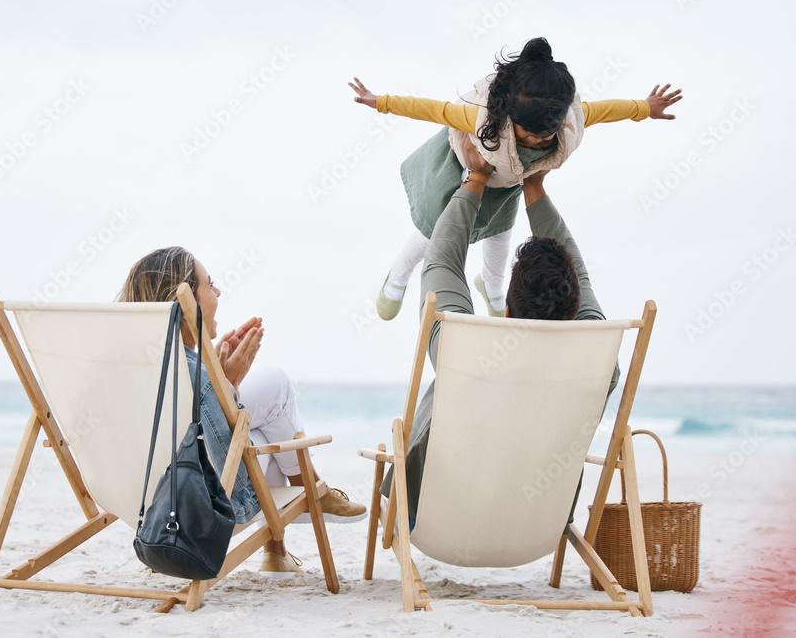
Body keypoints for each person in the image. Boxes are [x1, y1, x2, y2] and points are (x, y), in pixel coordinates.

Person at [348, 37, 681, 320]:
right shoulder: (477, 117)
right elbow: (431, 109)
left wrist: (644, 108)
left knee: (500, 242)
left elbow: (605, 110)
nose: (537, 141)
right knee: (436, 233)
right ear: (509, 113)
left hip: (507, 186)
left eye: (545, 134)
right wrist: (381, 102)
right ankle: (398, 275)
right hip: (464, 172)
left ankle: (492, 289)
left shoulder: (567, 121)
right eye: (529, 133)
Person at [380, 136, 621, 525]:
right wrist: (534, 185)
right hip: (536, 526)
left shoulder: (462, 352)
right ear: (576, 309)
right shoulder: (600, 364)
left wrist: (475, 179)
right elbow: (582, 276)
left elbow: (441, 261)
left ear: (507, 309)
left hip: (432, 520)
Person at [119, 247, 366, 578]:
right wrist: (226, 385)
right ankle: (312, 491)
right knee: (275, 394)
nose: (218, 292)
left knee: (265, 430)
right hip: (197, 505)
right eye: (210, 285)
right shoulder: (197, 377)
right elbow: (226, 466)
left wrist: (218, 380)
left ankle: (281, 545)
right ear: (184, 303)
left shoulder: (128, 370)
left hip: (143, 500)